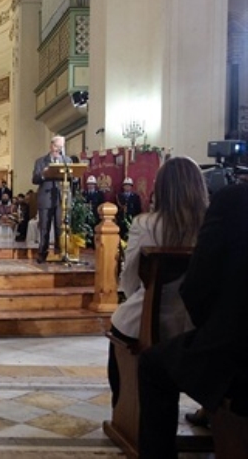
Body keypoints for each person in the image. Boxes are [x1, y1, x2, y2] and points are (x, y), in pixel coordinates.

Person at [137, 181, 248, 458]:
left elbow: (198, 287)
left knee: (152, 365)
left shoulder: (234, 200)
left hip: (238, 351)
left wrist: (211, 328)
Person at [106, 157, 209, 409]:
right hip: (195, 327)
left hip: (145, 323)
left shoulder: (145, 224)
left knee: (120, 322)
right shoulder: (209, 227)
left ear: (161, 188)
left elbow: (130, 280)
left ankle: (126, 410)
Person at [31, 136, 72, 263]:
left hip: (61, 198)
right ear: (51, 145)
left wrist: (72, 176)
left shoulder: (67, 160)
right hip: (46, 198)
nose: (57, 149)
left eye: (60, 147)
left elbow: (73, 177)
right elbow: (34, 179)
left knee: (61, 227)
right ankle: (42, 253)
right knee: (45, 227)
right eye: (56, 146)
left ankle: (61, 253)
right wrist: (43, 174)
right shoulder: (41, 161)